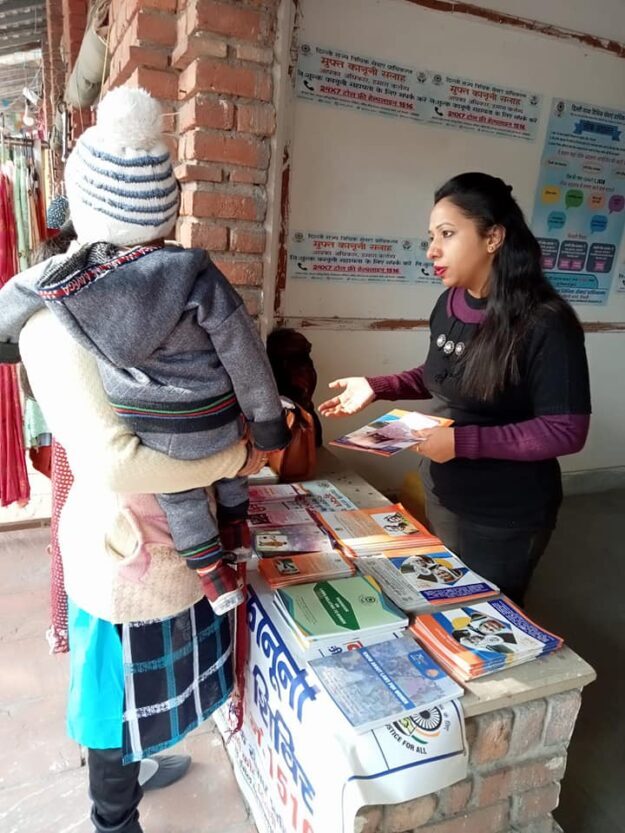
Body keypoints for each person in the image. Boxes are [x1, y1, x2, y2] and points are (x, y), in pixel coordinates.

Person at [0, 86, 289, 616]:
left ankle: (211, 573)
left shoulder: (64, 282)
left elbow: (17, 292)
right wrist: (268, 425)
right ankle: (237, 527)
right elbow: (245, 352)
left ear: (83, 202)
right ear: (166, 206)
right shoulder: (198, 274)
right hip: (215, 418)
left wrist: (5, 338)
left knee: (179, 495)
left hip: (152, 426)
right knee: (228, 467)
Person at [19, 306, 267, 833]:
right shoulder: (54, 329)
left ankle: (137, 767)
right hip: (120, 550)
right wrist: (233, 461)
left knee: (150, 686)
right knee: (109, 698)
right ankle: (113, 818)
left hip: (172, 541)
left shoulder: (151, 308)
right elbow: (117, 463)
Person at [320, 172, 591, 605]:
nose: (432, 249)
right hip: (444, 490)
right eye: (431, 236)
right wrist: (377, 385)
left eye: (447, 234)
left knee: (485, 613)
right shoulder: (451, 302)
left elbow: (565, 430)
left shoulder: (545, 322)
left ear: (493, 238)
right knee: (446, 599)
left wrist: (462, 442)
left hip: (505, 513)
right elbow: (439, 374)